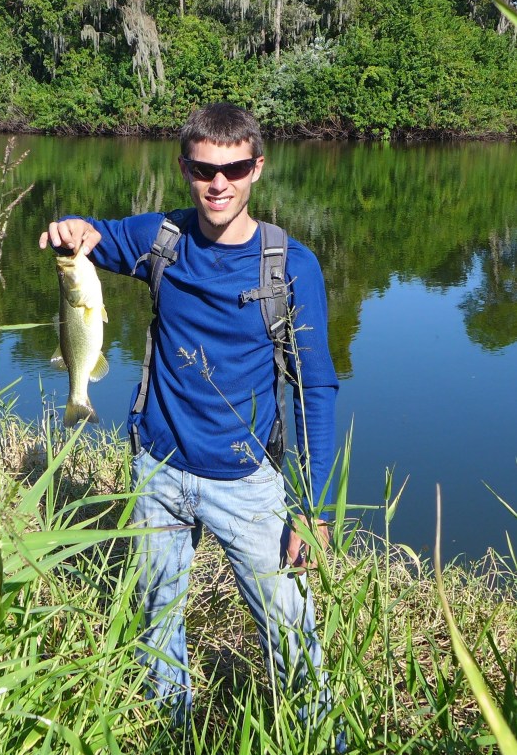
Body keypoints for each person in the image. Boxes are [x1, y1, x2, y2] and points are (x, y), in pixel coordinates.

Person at [39, 102, 340, 729]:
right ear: (185, 169)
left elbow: (317, 389)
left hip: (249, 483)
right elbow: (97, 236)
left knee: (292, 632)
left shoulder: (291, 267)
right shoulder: (162, 239)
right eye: (204, 169)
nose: (218, 184)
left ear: (257, 167)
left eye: (232, 169)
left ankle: (318, 735)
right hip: (157, 469)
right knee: (157, 617)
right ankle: (170, 728)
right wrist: (72, 229)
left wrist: (312, 510)